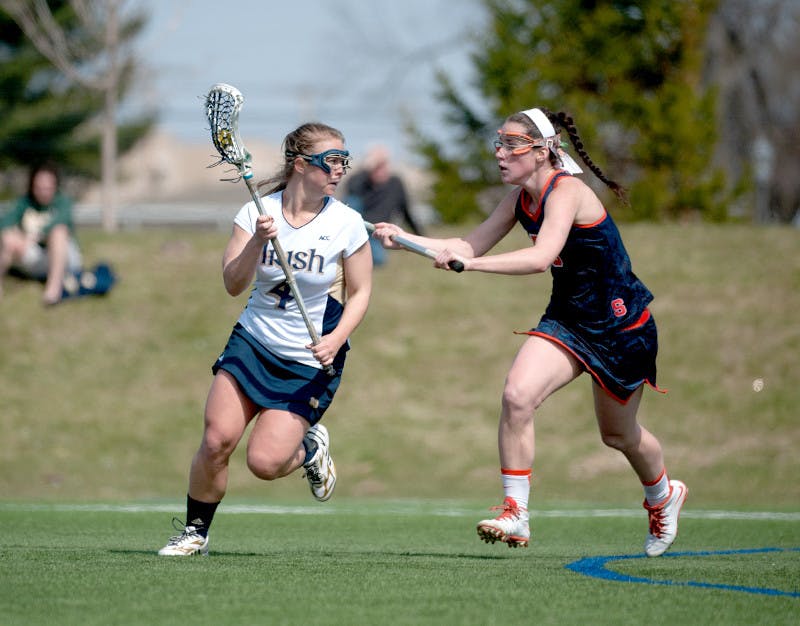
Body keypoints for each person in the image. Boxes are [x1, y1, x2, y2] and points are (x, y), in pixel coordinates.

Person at [372, 108, 687, 557]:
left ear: (541, 152)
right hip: (568, 321)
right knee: (517, 395)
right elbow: (467, 246)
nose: (499, 154)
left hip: (620, 325)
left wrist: (472, 265)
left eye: (510, 145)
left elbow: (540, 257)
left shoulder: (567, 192)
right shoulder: (520, 198)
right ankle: (515, 512)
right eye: (497, 144)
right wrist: (407, 239)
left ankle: (663, 495)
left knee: (618, 435)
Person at [158, 122, 372, 556]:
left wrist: (337, 339)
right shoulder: (256, 213)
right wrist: (258, 238)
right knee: (217, 440)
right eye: (331, 160)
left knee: (264, 463)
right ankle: (195, 532)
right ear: (300, 164)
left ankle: (309, 449)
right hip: (253, 342)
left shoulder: (346, 222)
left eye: (343, 161)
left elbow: (362, 292)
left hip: (309, 359)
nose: (339, 169)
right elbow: (233, 284)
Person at [0, 161, 83, 306]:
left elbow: (58, 224)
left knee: (58, 232)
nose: (43, 192)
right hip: (35, 257)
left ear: (55, 186)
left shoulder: (63, 202)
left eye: (48, 188)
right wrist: (17, 236)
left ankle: (53, 290)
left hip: (65, 259)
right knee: (8, 237)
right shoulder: (24, 202)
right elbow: (4, 222)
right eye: (39, 187)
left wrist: (32, 237)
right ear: (32, 186)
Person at [344, 145, 424, 267]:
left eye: (383, 166)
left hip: (378, 231)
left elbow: (405, 210)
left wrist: (418, 235)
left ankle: (353, 251)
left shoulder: (395, 183)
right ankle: (348, 244)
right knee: (353, 201)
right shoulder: (361, 181)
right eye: (377, 167)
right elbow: (351, 193)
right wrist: (367, 171)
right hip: (360, 226)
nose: (380, 171)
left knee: (378, 259)